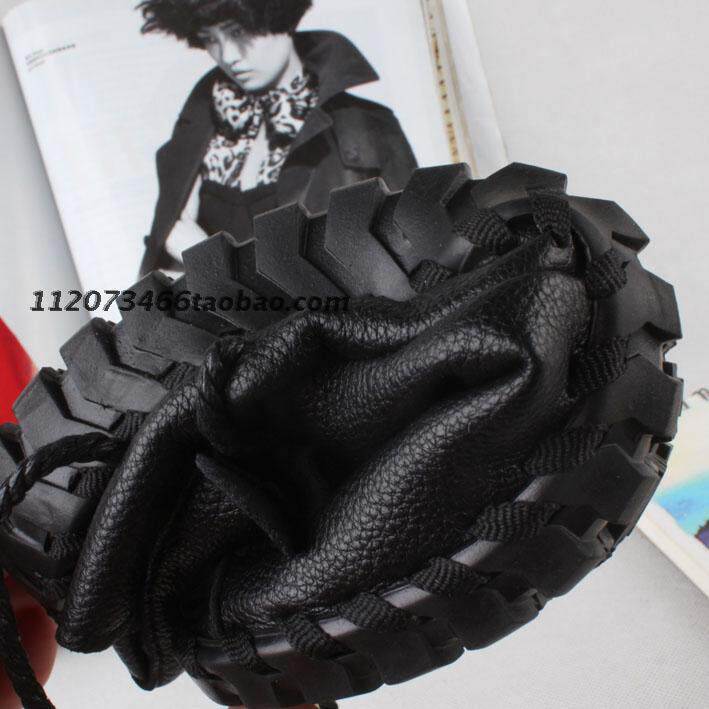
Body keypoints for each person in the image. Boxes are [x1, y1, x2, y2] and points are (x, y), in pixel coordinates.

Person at [137, 0, 418, 276]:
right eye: (209, 38)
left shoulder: (368, 128)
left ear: (281, 16)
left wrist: (209, 259)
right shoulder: (197, 134)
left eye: (238, 32)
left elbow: (414, 273)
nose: (228, 56)